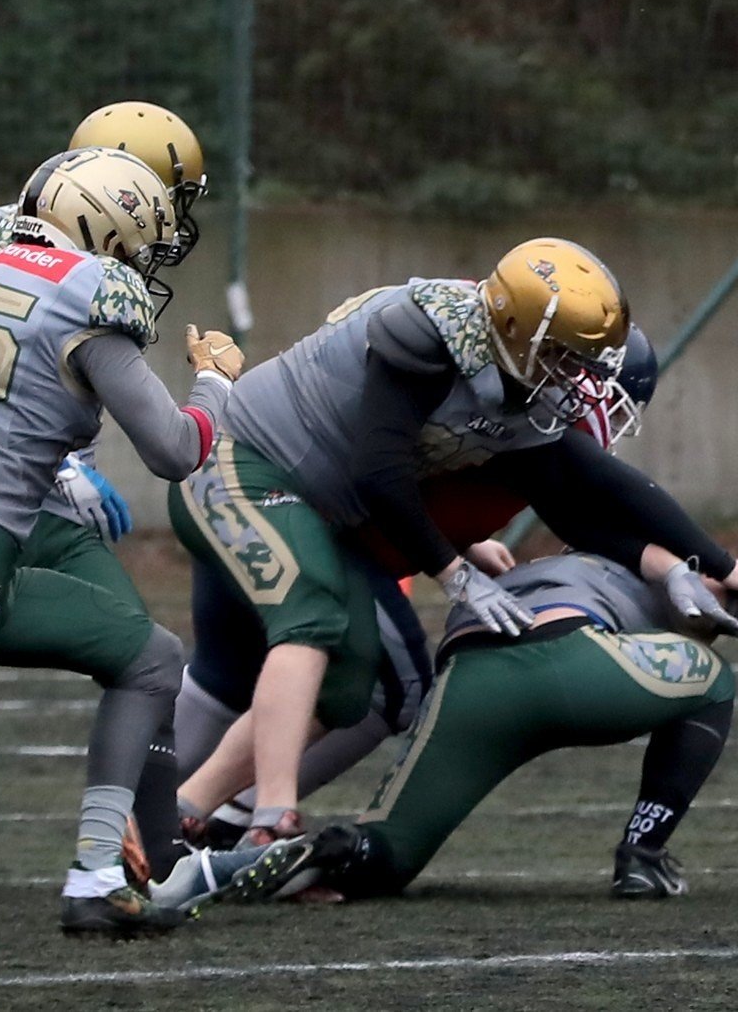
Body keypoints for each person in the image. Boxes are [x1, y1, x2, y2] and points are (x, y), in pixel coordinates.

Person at [169, 239, 738, 846]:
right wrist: (453, 569)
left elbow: (597, 487)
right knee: (317, 626)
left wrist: (710, 563)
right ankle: (265, 814)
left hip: (324, 515)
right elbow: (379, 474)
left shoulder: (522, 389)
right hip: (250, 466)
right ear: (519, 330)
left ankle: (186, 809)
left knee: (353, 675)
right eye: (565, 356)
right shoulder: (426, 335)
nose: (573, 378)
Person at [223, 547, 738, 903]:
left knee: (383, 862)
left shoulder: (531, 563)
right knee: (713, 680)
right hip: (580, 662)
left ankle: (306, 850)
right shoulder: (654, 565)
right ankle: (643, 853)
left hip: (469, 680)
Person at [173, 326, 659, 847]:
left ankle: (134, 823)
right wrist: (451, 564)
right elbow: (388, 474)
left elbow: (420, 459)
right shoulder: (515, 412)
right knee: (393, 685)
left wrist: (464, 545)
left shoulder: (482, 381)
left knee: (227, 670)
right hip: (314, 523)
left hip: (239, 499)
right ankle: (233, 820)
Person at [0, 147, 243, 935]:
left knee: (149, 656)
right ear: (110, 227)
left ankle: (98, 876)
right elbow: (173, 449)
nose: (141, 264)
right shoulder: (84, 294)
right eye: (141, 244)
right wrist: (215, 385)